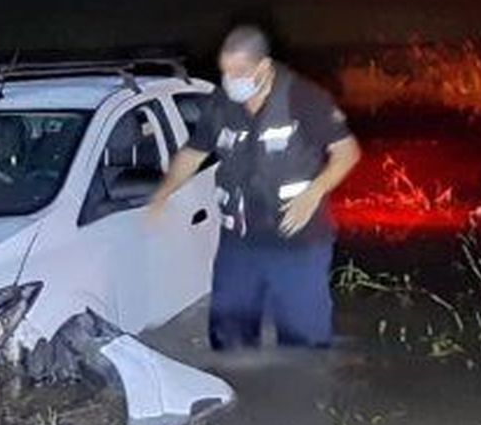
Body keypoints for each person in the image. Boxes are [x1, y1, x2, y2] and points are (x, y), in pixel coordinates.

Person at [147, 24, 361, 349]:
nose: (232, 79)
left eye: (240, 71)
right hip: (239, 244)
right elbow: (194, 152)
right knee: (229, 341)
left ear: (264, 66)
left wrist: (312, 194)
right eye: (226, 71)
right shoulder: (221, 104)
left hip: (298, 241)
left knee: (304, 344)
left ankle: (304, 396)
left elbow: (347, 152)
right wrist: (162, 194)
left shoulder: (304, 98)